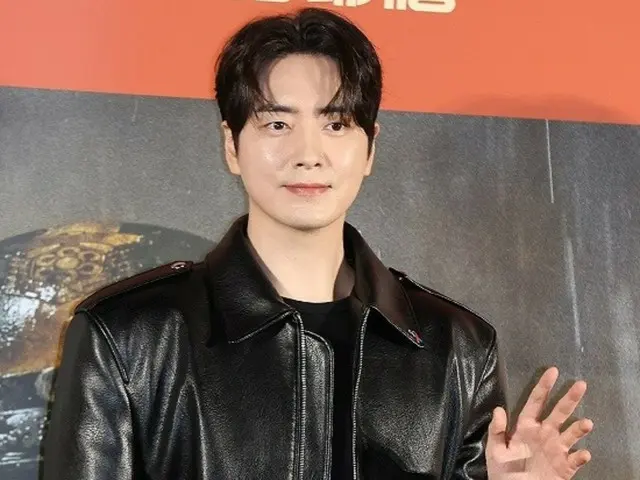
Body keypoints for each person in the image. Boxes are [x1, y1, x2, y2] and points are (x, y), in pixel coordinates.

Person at [42, 7, 593, 479]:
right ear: (232, 145)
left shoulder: (456, 347)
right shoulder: (128, 336)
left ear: (370, 147)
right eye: (277, 125)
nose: (308, 154)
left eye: (336, 124)